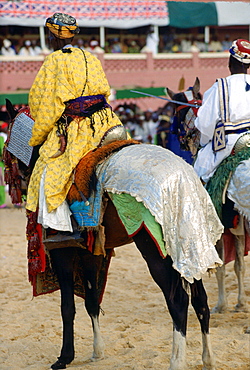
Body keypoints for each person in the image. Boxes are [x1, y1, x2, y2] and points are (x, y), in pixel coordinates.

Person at [26, 13, 125, 233]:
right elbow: (105, 93)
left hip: (79, 129)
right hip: (109, 124)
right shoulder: (92, 58)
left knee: (48, 172)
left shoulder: (54, 60)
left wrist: (37, 137)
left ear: (54, 37)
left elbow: (46, 104)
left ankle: (59, 228)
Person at [194, 39, 250, 184]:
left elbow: (205, 124)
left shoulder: (220, 87)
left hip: (229, 144)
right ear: (248, 65)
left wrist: (204, 141)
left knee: (199, 175)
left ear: (230, 61)